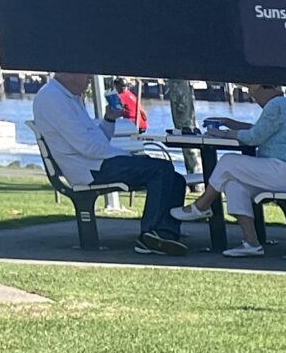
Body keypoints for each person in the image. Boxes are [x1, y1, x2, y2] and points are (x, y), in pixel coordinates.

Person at [32, 70, 189, 256]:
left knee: (176, 179)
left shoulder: (70, 98)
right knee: (160, 169)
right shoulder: (53, 99)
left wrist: (109, 119)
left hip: (96, 163)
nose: (90, 79)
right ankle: (149, 235)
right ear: (69, 74)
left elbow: (97, 142)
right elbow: (88, 148)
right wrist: (127, 156)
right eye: (86, 75)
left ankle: (165, 234)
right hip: (89, 169)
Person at [180, 83, 286, 260]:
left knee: (228, 161)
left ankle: (202, 205)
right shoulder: (281, 105)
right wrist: (229, 123)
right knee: (234, 185)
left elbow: (253, 137)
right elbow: (258, 129)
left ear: (267, 88)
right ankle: (252, 243)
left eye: (254, 94)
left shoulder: (277, 105)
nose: (254, 99)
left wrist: (222, 134)